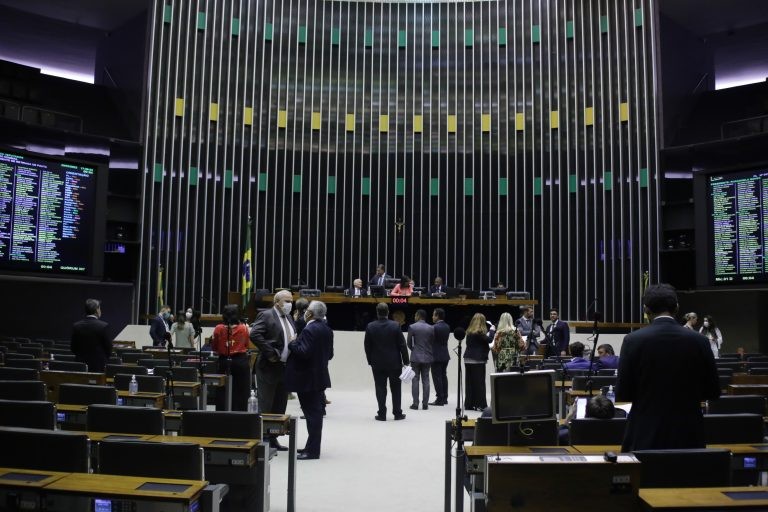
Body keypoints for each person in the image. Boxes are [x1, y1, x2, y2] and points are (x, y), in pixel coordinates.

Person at [616, 283, 720, 452]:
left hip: (645, 432)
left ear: (646, 310)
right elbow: (713, 392)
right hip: (689, 433)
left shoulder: (632, 340)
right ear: (677, 308)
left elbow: (623, 393)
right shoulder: (699, 340)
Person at [285, 301, 334, 460]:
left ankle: (312, 451)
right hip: (319, 376)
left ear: (310, 314)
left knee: (312, 415)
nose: (305, 312)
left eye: (307, 310)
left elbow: (303, 352)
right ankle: (310, 447)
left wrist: (292, 343)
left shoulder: (309, 329)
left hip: (307, 378)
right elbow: (330, 354)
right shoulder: (326, 329)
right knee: (315, 414)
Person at [249, 289, 295, 450]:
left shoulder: (288, 317)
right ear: (277, 302)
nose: (290, 304)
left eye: (291, 301)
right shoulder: (267, 315)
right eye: (287, 301)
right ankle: (262, 438)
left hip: (284, 368)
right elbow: (255, 334)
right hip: (269, 366)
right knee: (265, 404)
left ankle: (274, 437)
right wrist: (270, 352)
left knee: (279, 405)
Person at [364, 303, 410, 421]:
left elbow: (367, 346)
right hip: (394, 363)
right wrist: (406, 361)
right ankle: (397, 413)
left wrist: (370, 361)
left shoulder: (370, 326)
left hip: (377, 363)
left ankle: (382, 414)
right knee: (396, 388)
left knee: (380, 388)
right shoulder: (395, 325)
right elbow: (402, 345)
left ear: (377, 312)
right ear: (388, 312)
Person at [211, 304, 252, 411]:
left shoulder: (218, 328)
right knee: (241, 390)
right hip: (240, 362)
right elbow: (247, 345)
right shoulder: (244, 328)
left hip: (224, 361)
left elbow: (214, 347)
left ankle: (222, 412)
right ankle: (240, 412)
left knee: (222, 389)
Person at [70, 298, 111, 373]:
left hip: (80, 365)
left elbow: (73, 348)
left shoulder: (76, 326)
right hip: (98, 366)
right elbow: (108, 349)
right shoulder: (103, 326)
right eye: (100, 308)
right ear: (97, 310)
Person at [407, 309, 434, 410]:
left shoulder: (412, 327)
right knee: (426, 380)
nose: (414, 317)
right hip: (427, 357)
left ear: (418, 316)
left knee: (415, 380)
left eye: (415, 315)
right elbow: (432, 342)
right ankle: (425, 404)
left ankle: (415, 403)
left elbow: (408, 342)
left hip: (415, 357)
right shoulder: (431, 328)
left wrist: (413, 350)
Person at [464, 313, 490, 411]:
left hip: (468, 359)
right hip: (478, 360)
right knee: (479, 383)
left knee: (470, 383)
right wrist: (491, 331)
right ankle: (481, 404)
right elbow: (489, 340)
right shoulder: (479, 332)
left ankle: (469, 404)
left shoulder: (469, 331)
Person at [429, 308, 450, 406]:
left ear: (437, 316)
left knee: (437, 377)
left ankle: (440, 398)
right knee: (443, 376)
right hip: (445, 354)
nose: (432, 317)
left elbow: (430, 341)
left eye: (433, 315)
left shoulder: (433, 327)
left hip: (436, 355)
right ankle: (445, 397)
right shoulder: (447, 326)